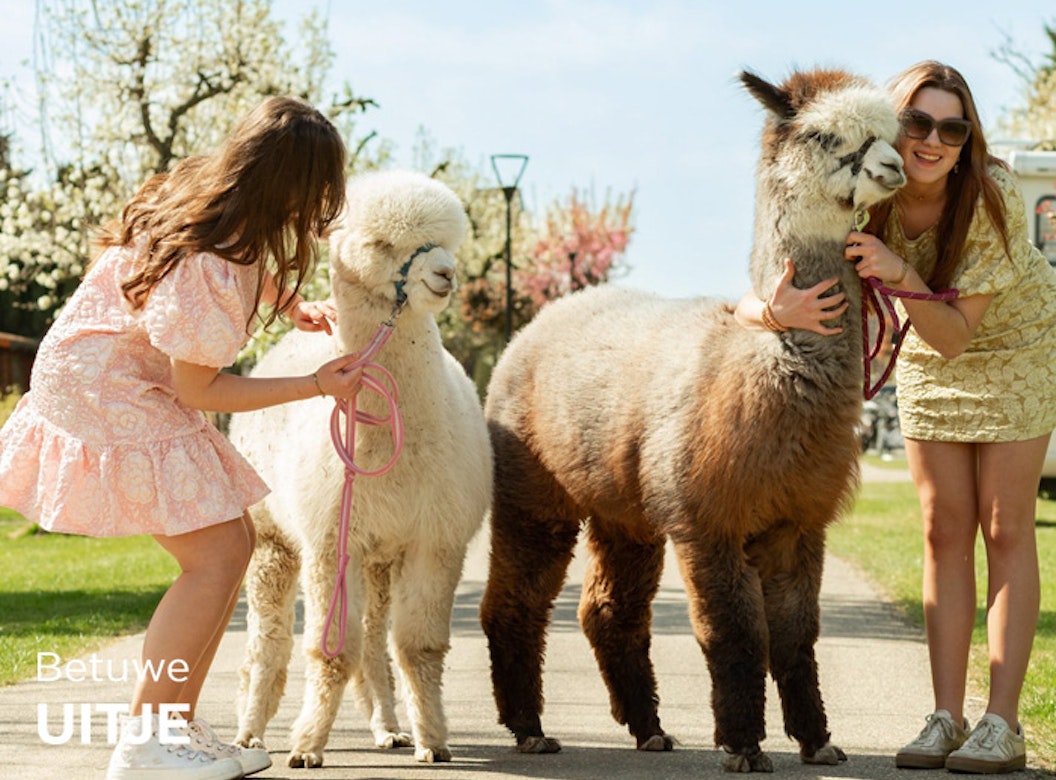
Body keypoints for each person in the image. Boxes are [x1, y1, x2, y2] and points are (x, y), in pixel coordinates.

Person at [0, 96, 365, 780]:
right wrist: (318, 384)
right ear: (294, 184)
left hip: (93, 367)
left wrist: (292, 305)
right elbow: (201, 391)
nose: (325, 199)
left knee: (232, 543)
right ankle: (145, 744)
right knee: (217, 552)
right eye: (320, 184)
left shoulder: (211, 198)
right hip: (107, 388)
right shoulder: (216, 263)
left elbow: (224, 272)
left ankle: (171, 727)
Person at [736, 60, 1056, 774]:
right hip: (929, 356)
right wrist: (772, 312)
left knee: (1004, 530)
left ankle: (1002, 724)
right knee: (943, 530)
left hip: (1016, 350)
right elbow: (766, 278)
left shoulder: (990, 197)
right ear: (893, 123)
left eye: (952, 126)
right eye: (918, 122)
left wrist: (898, 271)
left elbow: (955, 335)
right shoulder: (869, 188)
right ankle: (945, 717)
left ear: (966, 136)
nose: (932, 140)